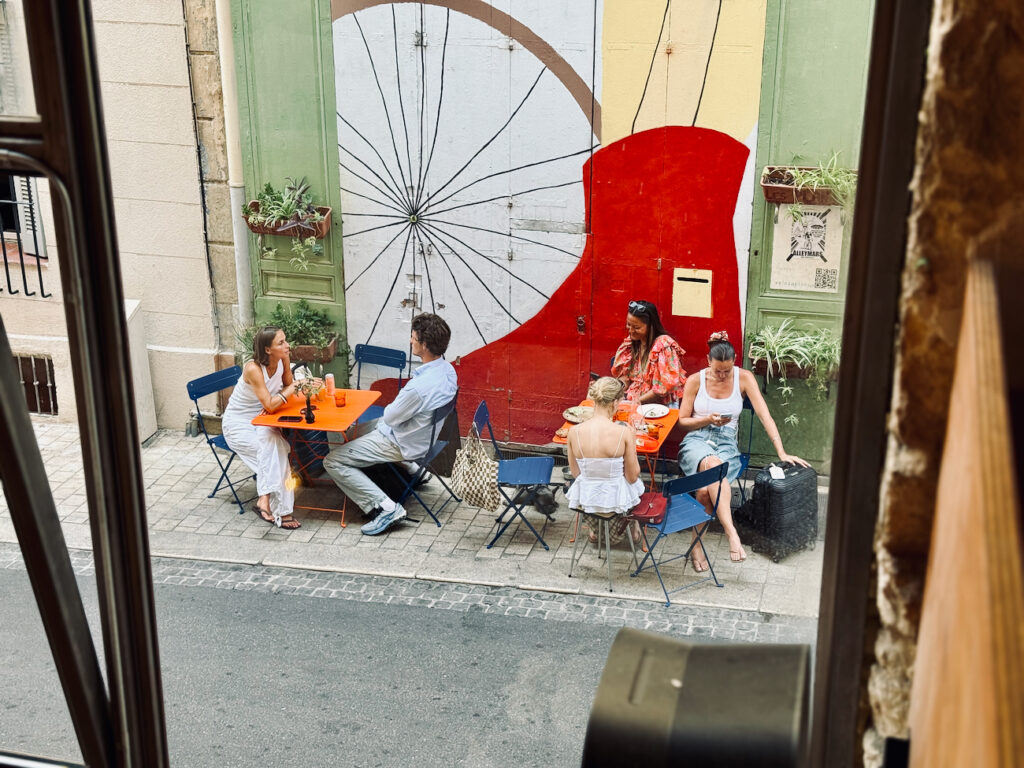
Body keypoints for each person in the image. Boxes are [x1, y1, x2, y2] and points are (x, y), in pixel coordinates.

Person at [677, 331, 809, 567]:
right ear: (709, 361)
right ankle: (731, 533)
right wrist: (707, 420)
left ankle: (696, 546)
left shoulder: (744, 378)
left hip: (726, 442)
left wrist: (781, 451)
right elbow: (683, 421)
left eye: (727, 370)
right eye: (718, 370)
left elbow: (764, 415)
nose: (722, 374)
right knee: (711, 465)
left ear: (734, 361)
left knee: (706, 491)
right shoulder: (696, 381)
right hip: (697, 439)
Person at [323, 313, 457, 536]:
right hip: (423, 437)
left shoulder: (418, 387)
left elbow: (392, 417)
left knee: (333, 461)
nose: (410, 341)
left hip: (400, 442)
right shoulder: (448, 371)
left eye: (413, 337)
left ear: (423, 345)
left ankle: (386, 507)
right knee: (343, 431)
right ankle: (414, 470)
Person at [221, 326, 302, 529]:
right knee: (276, 452)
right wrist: (294, 387)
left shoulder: (283, 358)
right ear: (267, 350)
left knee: (278, 449)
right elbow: (271, 403)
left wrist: (287, 368)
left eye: (286, 340)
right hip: (238, 424)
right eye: (281, 343)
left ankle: (264, 500)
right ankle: (283, 513)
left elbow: (286, 383)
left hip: (264, 419)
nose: (287, 345)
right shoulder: (253, 369)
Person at [566, 377, 645, 546]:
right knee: (638, 483)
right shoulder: (623, 433)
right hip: (616, 502)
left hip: (587, 500)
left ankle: (595, 529)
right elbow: (632, 477)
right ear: (615, 402)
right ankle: (632, 526)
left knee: (593, 481)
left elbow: (576, 473)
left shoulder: (573, 431)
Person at [611, 300, 687, 406]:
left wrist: (638, 402)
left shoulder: (663, 346)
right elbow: (627, 378)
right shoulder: (631, 344)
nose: (631, 330)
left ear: (650, 326)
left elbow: (663, 388)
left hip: (658, 405)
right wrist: (617, 386)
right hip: (634, 401)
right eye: (629, 324)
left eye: (637, 327)